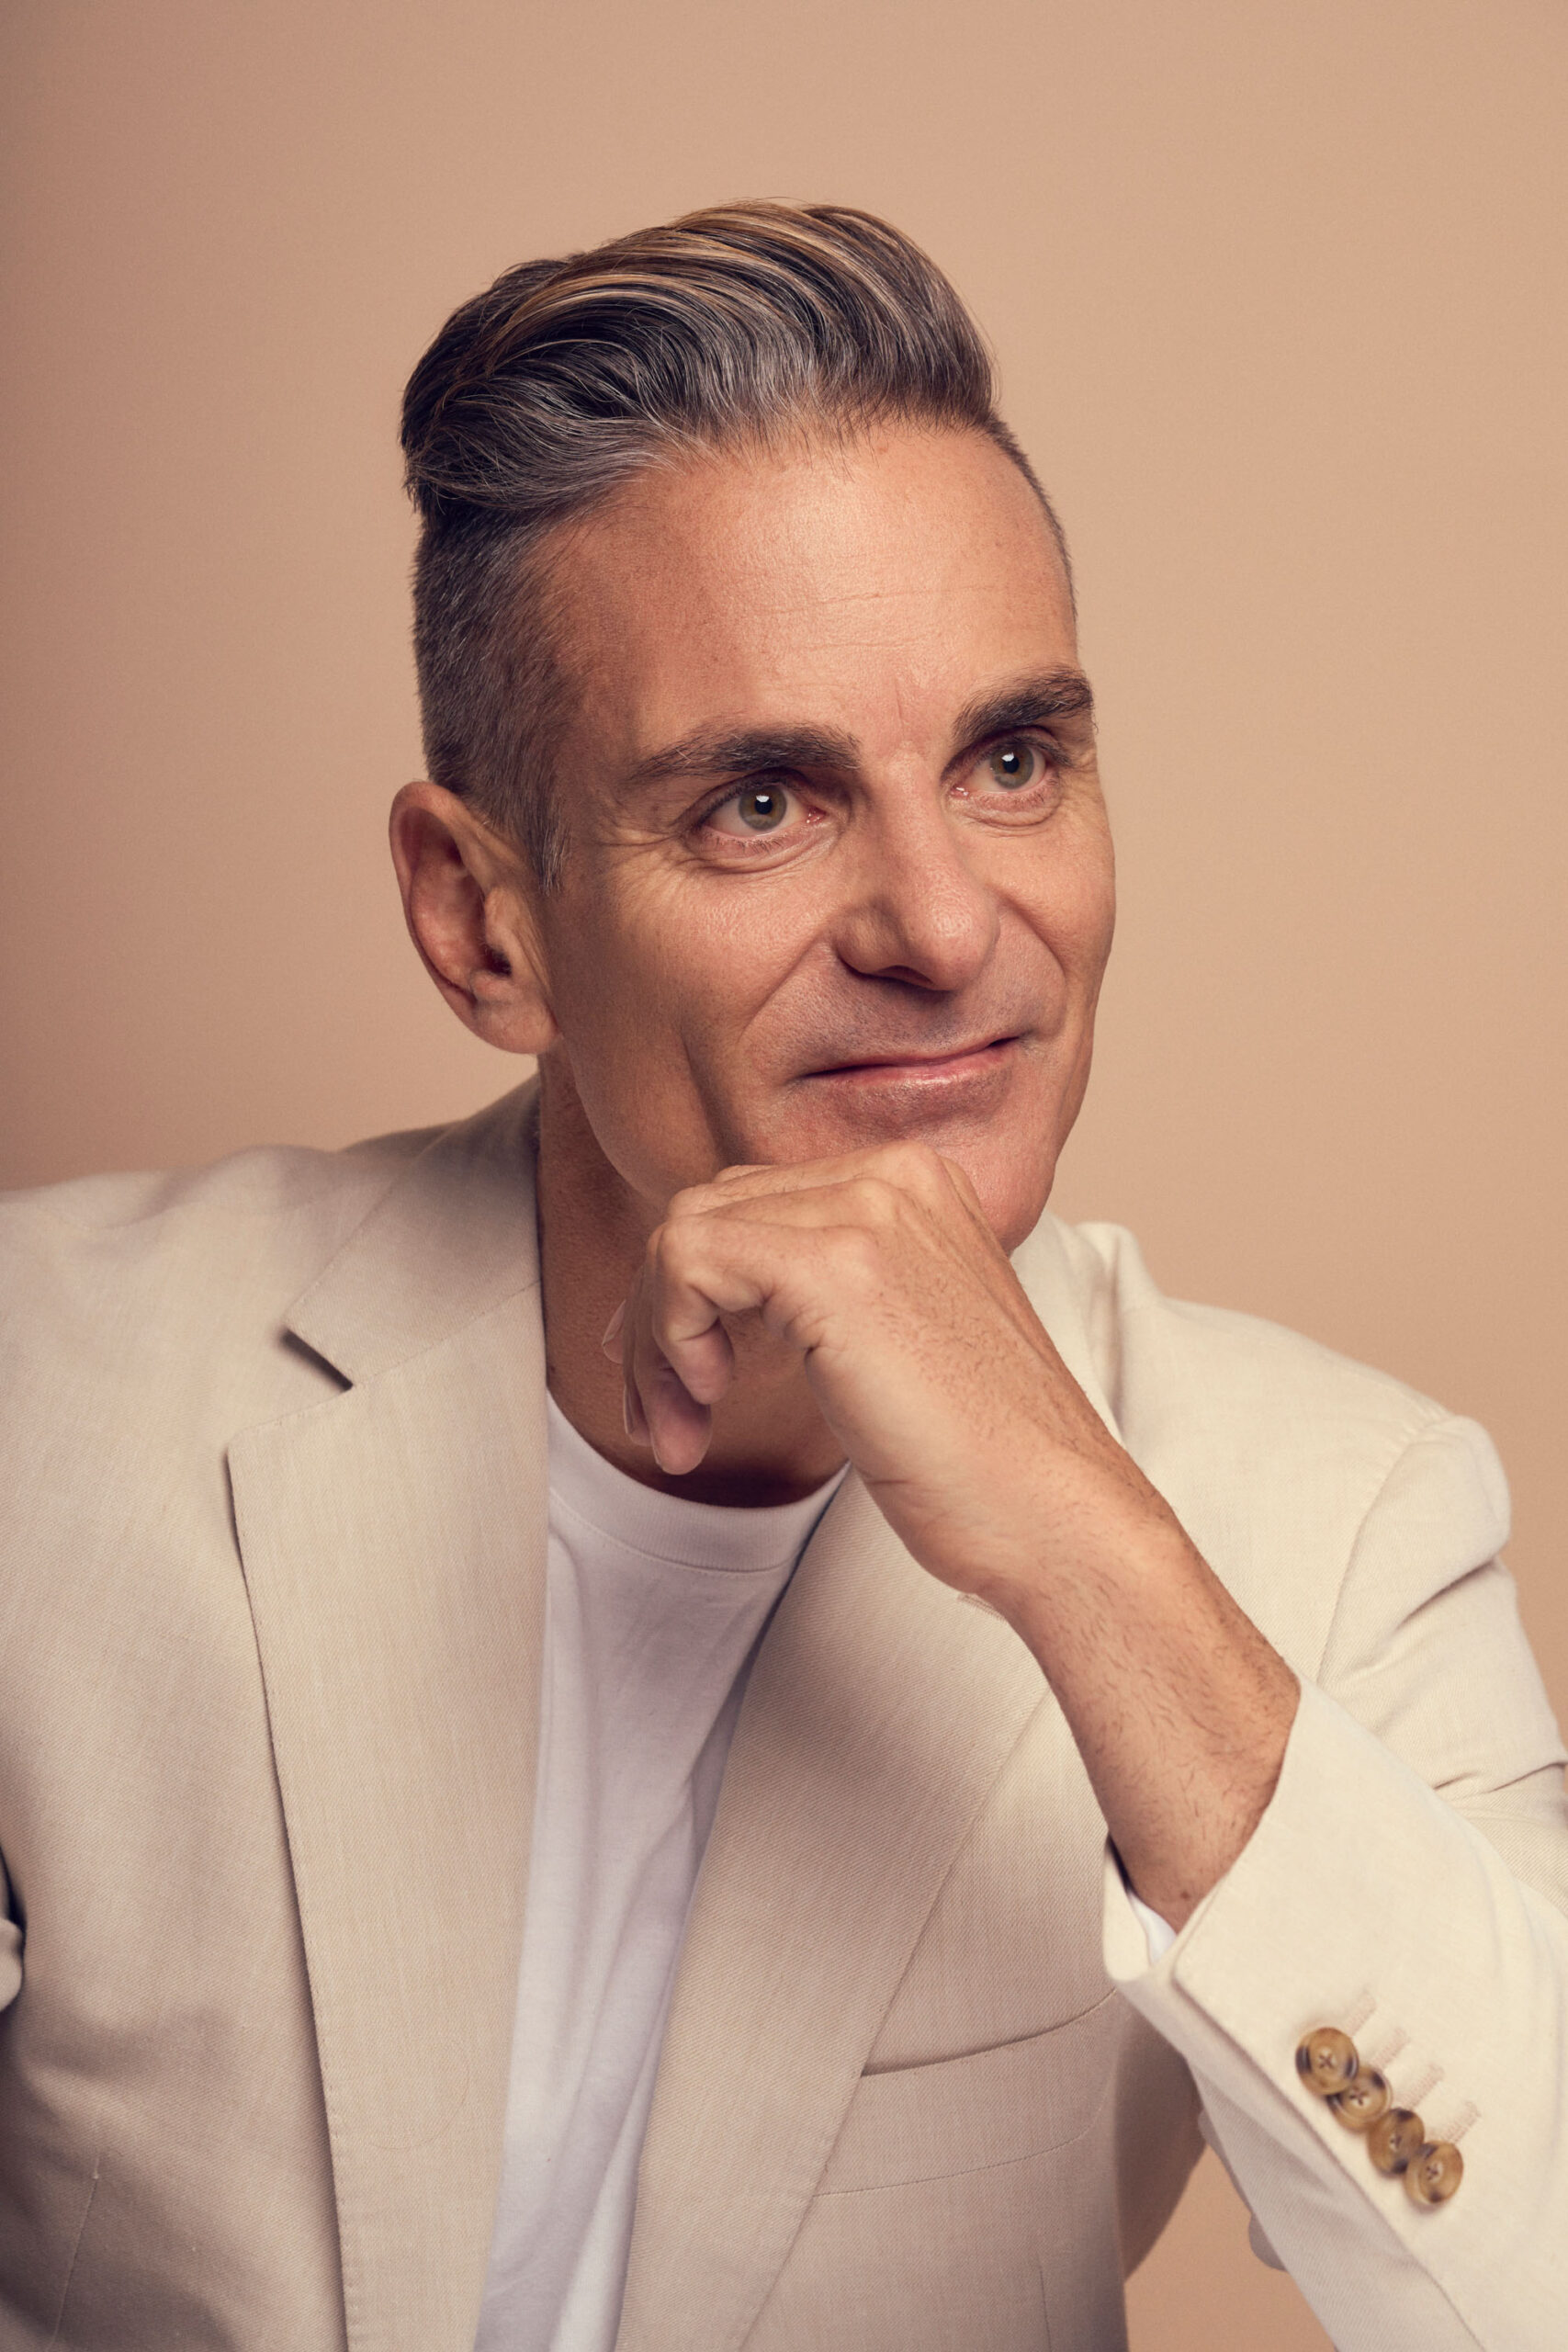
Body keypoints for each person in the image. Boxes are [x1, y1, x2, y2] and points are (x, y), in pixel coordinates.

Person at [0, 201, 1563, 2352]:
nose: (941, 922)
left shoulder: (1341, 1514)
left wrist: (1098, 1559)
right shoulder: (47, 1389)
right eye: (761, 800)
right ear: (481, 922)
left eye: (1011, 759)